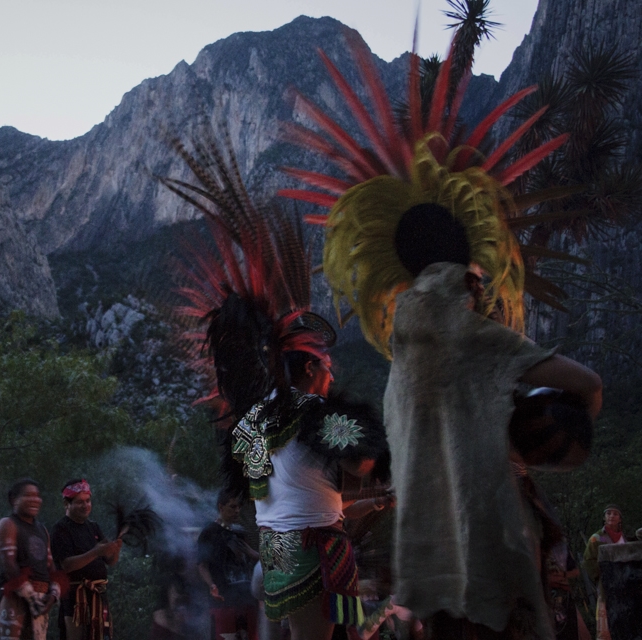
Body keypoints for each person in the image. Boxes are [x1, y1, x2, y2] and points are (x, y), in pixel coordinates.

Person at [281, 35, 606, 640]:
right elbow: (588, 386)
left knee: (303, 629)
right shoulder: (464, 341)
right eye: (318, 363)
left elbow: (347, 468)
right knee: (329, 625)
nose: (326, 369)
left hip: (397, 561)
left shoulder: (379, 377)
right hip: (456, 551)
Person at [163, 133, 390, 640]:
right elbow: (355, 467)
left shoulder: (253, 422)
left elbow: (286, 494)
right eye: (326, 369)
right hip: (316, 550)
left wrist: (363, 503)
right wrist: (373, 453)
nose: (331, 378)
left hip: (282, 549)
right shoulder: (318, 413)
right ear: (310, 370)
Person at [50, 478, 121, 640]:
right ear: (67, 504)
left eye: (88, 501)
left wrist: (115, 549)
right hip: (76, 599)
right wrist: (96, 552)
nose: (85, 505)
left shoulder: (93, 527)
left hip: (98, 596)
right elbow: (67, 565)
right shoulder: (61, 529)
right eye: (80, 502)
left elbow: (110, 561)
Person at [0, 478, 62, 640]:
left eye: (37, 495)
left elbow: (50, 565)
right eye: (28, 495)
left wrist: (53, 595)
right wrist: (31, 598)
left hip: (41, 597)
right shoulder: (8, 524)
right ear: (13, 499)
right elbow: (8, 564)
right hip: (16, 598)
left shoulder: (42, 529)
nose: (35, 500)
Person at [197, 488, 259, 639]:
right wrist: (212, 585)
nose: (237, 510)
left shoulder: (240, 533)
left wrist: (251, 553)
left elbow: (255, 562)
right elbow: (202, 565)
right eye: (232, 506)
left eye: (238, 506)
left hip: (247, 601)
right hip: (224, 602)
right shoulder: (210, 533)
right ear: (221, 507)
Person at [583, 505, 625, 640]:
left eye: (615, 514)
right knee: (605, 625)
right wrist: (602, 576)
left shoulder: (624, 539)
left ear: (620, 519)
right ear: (604, 518)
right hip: (607, 585)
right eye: (609, 514)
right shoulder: (597, 538)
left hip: (625, 585)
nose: (611, 516)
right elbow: (588, 561)